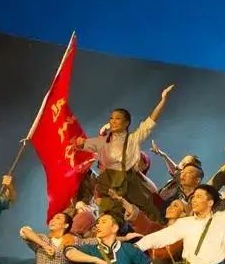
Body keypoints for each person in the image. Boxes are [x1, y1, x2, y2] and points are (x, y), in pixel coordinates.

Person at [68, 85, 175, 221]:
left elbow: (151, 121)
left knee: (150, 213)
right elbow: (77, 148)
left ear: (126, 123)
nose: (113, 121)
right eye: (111, 118)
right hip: (108, 188)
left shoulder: (132, 140)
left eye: (118, 118)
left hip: (128, 185)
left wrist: (163, 100)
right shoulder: (102, 143)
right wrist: (77, 142)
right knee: (106, 216)